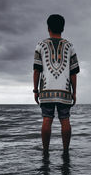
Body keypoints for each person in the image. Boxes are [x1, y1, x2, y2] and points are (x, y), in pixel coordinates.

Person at [33, 14, 80, 154]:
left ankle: (45, 152)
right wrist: (74, 92)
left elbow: (37, 70)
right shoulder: (69, 46)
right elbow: (73, 73)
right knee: (65, 120)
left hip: (46, 90)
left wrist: (35, 90)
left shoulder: (40, 45)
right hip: (64, 90)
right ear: (63, 28)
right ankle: (66, 152)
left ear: (48, 28)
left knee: (47, 119)